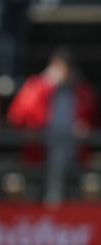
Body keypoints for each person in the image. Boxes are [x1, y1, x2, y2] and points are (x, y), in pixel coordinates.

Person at [8, 48, 98, 203]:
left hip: (73, 156)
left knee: (73, 202)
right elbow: (17, 116)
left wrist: (84, 128)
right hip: (39, 154)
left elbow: (92, 119)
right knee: (35, 199)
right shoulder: (35, 87)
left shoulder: (82, 91)